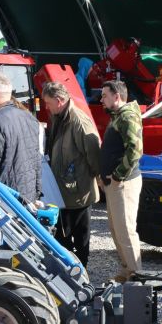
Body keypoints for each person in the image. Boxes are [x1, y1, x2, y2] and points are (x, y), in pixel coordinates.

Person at [42, 81, 101, 267]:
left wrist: (94, 178)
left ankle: (81, 272)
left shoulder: (78, 121)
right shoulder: (60, 118)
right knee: (62, 234)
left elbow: (94, 154)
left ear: (59, 101)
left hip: (78, 192)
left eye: (48, 103)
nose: (46, 107)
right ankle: (67, 270)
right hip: (63, 191)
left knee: (80, 237)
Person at [99, 80, 143, 282]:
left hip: (123, 184)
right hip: (116, 183)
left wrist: (117, 175)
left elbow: (135, 150)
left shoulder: (126, 117)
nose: (101, 100)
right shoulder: (119, 116)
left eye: (105, 95)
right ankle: (127, 271)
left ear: (117, 96)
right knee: (117, 229)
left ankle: (136, 275)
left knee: (125, 230)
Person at [0, 72, 42, 202]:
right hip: (27, 196)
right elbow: (36, 159)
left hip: (5, 201)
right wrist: (36, 193)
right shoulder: (29, 118)